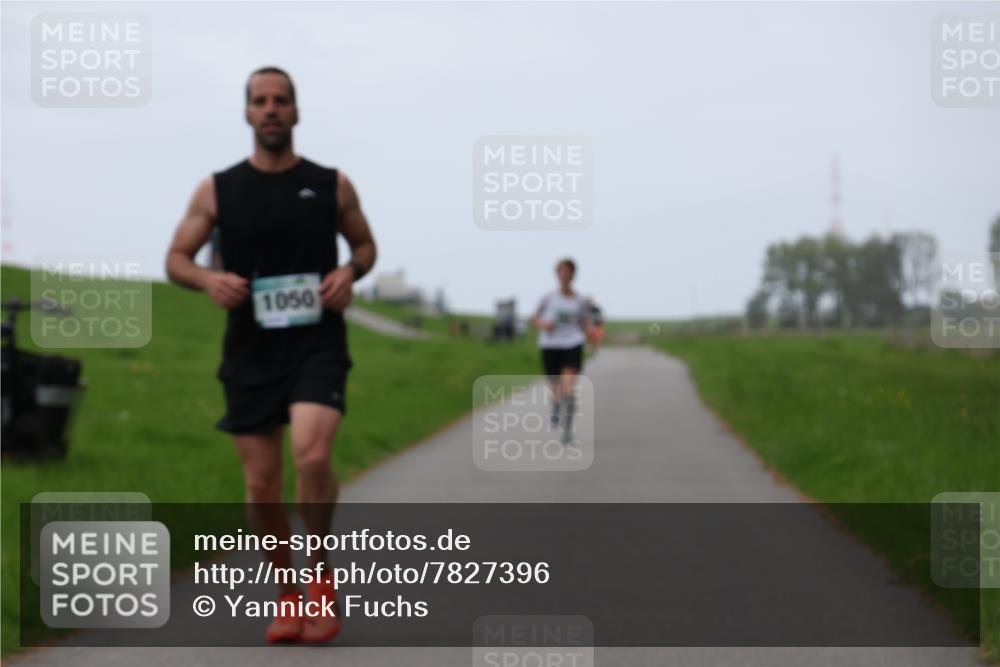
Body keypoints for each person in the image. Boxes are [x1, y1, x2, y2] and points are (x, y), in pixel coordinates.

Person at [165, 66, 376, 644]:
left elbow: (365, 244)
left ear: (297, 111)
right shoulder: (217, 189)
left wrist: (349, 271)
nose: (271, 109)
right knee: (260, 486)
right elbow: (177, 258)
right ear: (247, 113)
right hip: (251, 350)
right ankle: (286, 592)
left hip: (317, 342)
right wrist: (208, 282)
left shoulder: (332, 183)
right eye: (260, 101)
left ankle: (320, 581)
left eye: (281, 100)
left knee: (311, 456)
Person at [529, 258, 595, 444]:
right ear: (557, 274)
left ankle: (567, 430)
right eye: (562, 271)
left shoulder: (579, 300)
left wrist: (589, 331)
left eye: (568, 271)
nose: (565, 274)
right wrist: (543, 324)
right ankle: (555, 405)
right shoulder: (548, 297)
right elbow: (533, 317)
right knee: (556, 389)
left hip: (572, 344)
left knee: (569, 389)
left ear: (573, 275)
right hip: (550, 345)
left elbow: (585, 321)